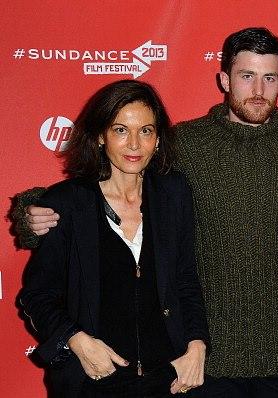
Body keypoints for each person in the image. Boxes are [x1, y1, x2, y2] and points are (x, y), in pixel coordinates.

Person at [16, 28, 278, 398]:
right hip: (201, 354)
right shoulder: (185, 143)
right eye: (247, 76)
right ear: (224, 79)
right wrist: (34, 211)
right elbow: (118, 183)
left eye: (271, 78)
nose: (259, 90)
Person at [18, 80, 209, 397]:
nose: (135, 144)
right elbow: (38, 294)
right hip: (93, 376)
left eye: (146, 131)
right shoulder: (67, 203)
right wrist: (76, 340)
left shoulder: (174, 192)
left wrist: (198, 343)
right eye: (121, 130)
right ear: (99, 136)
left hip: (168, 377)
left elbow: (186, 278)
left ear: (158, 139)